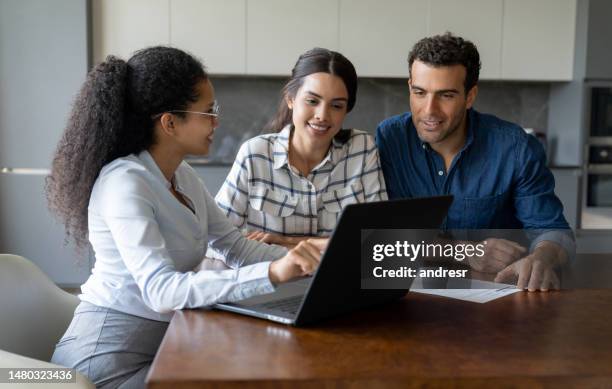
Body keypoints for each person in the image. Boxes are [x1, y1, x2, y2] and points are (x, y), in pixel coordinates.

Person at [46, 46, 326, 388]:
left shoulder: (183, 176)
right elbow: (161, 292)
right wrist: (272, 272)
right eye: (208, 112)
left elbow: (236, 248)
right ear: (170, 122)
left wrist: (313, 261)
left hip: (163, 347)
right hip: (102, 363)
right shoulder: (124, 183)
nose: (217, 122)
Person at [375, 33, 574, 292]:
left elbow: (554, 232)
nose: (429, 110)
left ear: (470, 96)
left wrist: (541, 258)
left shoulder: (515, 148)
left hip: (496, 300)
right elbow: (382, 237)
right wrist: (465, 251)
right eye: (419, 92)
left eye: (446, 95)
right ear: (410, 86)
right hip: (411, 297)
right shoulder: (391, 139)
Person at [214, 48, 387, 249]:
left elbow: (380, 241)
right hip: (269, 279)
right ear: (290, 99)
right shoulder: (255, 154)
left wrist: (285, 242)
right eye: (312, 101)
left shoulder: (362, 149)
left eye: (336, 106)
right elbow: (216, 238)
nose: (322, 115)